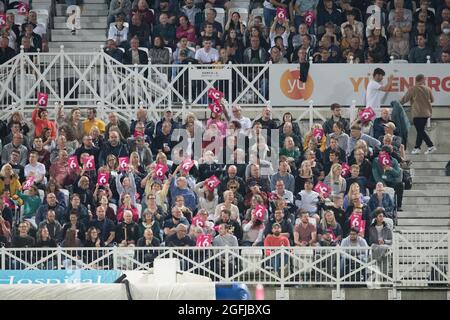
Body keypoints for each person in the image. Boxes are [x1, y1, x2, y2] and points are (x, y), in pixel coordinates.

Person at [400, 74, 436, 155]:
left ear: (416, 80)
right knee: (420, 131)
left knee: (420, 131)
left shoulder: (412, 89)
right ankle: (417, 148)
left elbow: (405, 99)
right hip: (426, 113)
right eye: (424, 80)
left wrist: (397, 103)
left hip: (417, 113)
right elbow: (432, 100)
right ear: (422, 80)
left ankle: (430, 145)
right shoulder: (428, 89)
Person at [372, 146, 404, 211]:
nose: (380, 153)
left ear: (388, 154)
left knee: (400, 185)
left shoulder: (394, 161)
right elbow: (376, 174)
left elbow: (397, 174)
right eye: (381, 152)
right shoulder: (376, 160)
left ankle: (398, 206)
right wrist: (383, 185)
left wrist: (391, 169)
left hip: (391, 181)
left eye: (382, 152)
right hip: (380, 181)